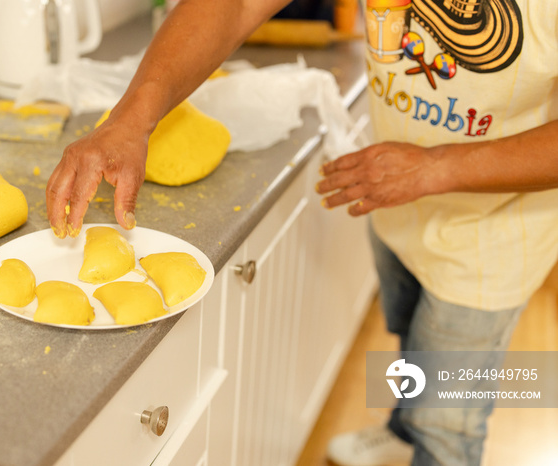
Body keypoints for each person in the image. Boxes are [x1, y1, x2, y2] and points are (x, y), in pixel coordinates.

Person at [45, 0, 558, 464]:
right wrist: (132, 119)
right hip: (397, 203)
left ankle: (425, 435)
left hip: (493, 234)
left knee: (447, 425)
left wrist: (434, 169)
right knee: (410, 339)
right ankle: (404, 430)